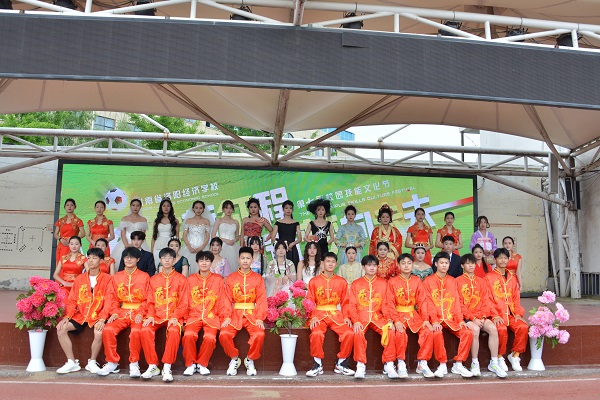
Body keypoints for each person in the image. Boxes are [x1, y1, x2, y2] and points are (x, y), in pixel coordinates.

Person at [55, 247, 112, 374]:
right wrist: (67, 317)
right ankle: (71, 362)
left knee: (99, 332)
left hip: (98, 314)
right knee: (61, 329)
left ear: (101, 261)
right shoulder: (80, 279)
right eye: (89, 258)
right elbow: (72, 300)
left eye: (94, 258)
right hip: (81, 314)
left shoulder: (108, 279)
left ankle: (92, 362)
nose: (90, 260)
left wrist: (102, 319)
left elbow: (109, 301)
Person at [97, 246, 151, 377]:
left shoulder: (145, 277)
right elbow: (112, 298)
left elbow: (148, 299)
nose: (129, 259)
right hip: (121, 312)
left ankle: (134, 363)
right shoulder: (116, 277)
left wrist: (141, 313)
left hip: (139, 313)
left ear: (138, 259)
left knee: (136, 332)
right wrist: (114, 312)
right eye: (126, 257)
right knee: (108, 329)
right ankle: (112, 362)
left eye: (132, 257)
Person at [140, 247, 189, 382]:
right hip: (157, 315)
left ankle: (167, 366)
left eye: (170, 258)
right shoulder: (154, 280)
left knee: (174, 330)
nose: (167, 260)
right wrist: (150, 315)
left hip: (174, 315)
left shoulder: (181, 279)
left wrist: (175, 316)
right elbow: (150, 301)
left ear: (174, 260)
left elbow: (184, 302)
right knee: (145, 329)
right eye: (164, 258)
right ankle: (152, 365)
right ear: (160, 260)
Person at [422, 252, 474, 378]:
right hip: (436, 319)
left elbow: (456, 302)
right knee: (437, 333)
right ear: (436, 264)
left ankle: (459, 363)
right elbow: (428, 303)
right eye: (442, 263)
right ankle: (442, 364)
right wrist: (434, 320)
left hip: (451, 318)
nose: (444, 265)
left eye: (446, 263)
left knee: (467, 332)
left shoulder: (452, 281)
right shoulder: (428, 281)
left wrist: (460, 320)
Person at [455, 253, 507, 378]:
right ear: (462, 266)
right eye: (468, 263)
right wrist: (473, 318)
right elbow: (459, 304)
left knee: (493, 328)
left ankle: (494, 362)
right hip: (466, 318)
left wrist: (482, 317)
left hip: (481, 317)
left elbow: (486, 301)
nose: (471, 266)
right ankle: (475, 362)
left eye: (472, 263)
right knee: (475, 330)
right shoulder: (457, 281)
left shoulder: (482, 281)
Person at [219, 246, 268, 376]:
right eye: (243, 258)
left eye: (248, 258)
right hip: (235, 314)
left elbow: (262, 298)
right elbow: (226, 298)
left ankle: (250, 359)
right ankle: (234, 359)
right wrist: (226, 316)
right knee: (224, 334)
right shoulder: (231, 278)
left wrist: (260, 317)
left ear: (252, 260)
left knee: (259, 334)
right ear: (238, 259)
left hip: (252, 315)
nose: (245, 261)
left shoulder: (258, 278)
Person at [305, 252, 355, 377]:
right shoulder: (314, 281)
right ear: (322, 263)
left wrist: (347, 317)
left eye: (333, 262)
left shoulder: (341, 282)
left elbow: (346, 302)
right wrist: (312, 316)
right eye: (328, 261)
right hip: (318, 314)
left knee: (349, 333)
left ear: (336, 264)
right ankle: (317, 364)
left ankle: (341, 363)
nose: (330, 264)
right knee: (316, 333)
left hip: (336, 315)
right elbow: (309, 301)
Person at [387, 253, 436, 378]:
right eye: (403, 263)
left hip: (413, 315)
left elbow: (422, 301)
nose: (406, 266)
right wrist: (396, 320)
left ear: (413, 265)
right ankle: (401, 362)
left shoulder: (417, 281)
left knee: (428, 331)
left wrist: (425, 319)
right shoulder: (392, 282)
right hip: (398, 314)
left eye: (409, 263)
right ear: (398, 265)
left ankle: (422, 362)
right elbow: (389, 303)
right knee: (400, 333)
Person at [349, 255, 398, 379]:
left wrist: (389, 320)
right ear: (363, 267)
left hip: (378, 317)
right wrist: (355, 321)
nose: (372, 268)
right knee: (358, 332)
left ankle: (389, 364)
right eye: (369, 265)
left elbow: (386, 304)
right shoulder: (356, 284)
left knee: (390, 330)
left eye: (374, 265)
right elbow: (352, 305)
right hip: (361, 317)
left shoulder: (383, 283)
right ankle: (360, 365)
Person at [486, 248, 529, 373]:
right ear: (495, 259)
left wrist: (518, 314)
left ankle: (515, 355)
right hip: (497, 314)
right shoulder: (489, 277)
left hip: (511, 314)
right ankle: (499, 357)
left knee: (523, 327)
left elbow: (516, 298)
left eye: (505, 258)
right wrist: (495, 315)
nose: (503, 260)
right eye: (500, 258)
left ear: (508, 259)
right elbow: (487, 299)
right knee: (501, 329)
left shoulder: (512, 277)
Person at [182, 251, 224, 376]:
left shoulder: (218, 279)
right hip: (193, 316)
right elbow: (185, 300)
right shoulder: (190, 279)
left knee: (210, 338)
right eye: (201, 260)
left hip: (211, 316)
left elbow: (222, 300)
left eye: (207, 260)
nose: (204, 263)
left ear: (211, 262)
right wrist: (183, 318)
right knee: (188, 335)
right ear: (197, 263)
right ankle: (190, 364)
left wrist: (224, 317)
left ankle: (202, 363)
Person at [112, 198, 149, 268]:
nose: (135, 207)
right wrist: (127, 245)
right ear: (130, 206)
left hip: (139, 243)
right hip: (126, 242)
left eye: (137, 206)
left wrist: (136, 244)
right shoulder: (124, 218)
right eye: (133, 205)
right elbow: (123, 234)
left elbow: (142, 235)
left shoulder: (143, 219)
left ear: (140, 207)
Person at [180, 200, 212, 268]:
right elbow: (184, 236)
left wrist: (202, 247)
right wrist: (189, 247)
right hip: (189, 249)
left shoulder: (206, 221)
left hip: (203, 248)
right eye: (196, 208)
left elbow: (208, 236)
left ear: (203, 209)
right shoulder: (189, 220)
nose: (198, 210)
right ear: (193, 209)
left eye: (200, 208)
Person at [270, 200, 302, 268]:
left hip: (292, 249)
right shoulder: (278, 223)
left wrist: (292, 244)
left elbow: (300, 238)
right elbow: (273, 237)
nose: (288, 210)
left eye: (290, 208)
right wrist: (282, 244)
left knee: (294, 267)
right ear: (283, 209)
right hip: (282, 249)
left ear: (292, 210)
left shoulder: (296, 223)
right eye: (286, 208)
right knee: (282, 267)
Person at [54, 198, 85, 265]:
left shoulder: (78, 220)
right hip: (62, 244)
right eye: (67, 205)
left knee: (72, 264)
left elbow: (83, 233)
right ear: (64, 207)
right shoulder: (60, 220)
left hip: (73, 245)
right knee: (60, 264)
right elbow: (55, 234)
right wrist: (60, 239)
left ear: (75, 207)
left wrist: (72, 239)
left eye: (71, 205)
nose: (69, 207)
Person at [211, 200, 240, 272]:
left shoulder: (236, 222)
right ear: (223, 209)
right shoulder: (219, 220)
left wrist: (234, 240)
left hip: (233, 246)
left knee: (235, 266)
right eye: (226, 208)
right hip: (222, 245)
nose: (228, 210)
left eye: (230, 208)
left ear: (233, 210)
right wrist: (225, 240)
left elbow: (237, 236)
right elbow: (213, 235)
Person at [151, 198, 179, 267]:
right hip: (158, 244)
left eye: (168, 206)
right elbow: (154, 236)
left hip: (170, 244)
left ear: (171, 207)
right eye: (164, 206)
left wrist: (176, 247)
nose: (166, 208)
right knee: (158, 265)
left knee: (169, 265)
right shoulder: (157, 220)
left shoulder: (175, 221)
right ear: (161, 207)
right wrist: (151, 250)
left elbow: (177, 236)